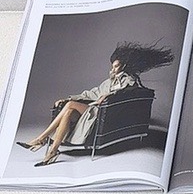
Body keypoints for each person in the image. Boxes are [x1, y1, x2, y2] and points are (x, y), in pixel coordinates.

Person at [18, 40, 173, 166]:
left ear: (124, 65)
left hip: (103, 111)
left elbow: (127, 93)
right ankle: (53, 151)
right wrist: (68, 98)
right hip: (94, 108)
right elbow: (91, 93)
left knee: (71, 105)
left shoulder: (129, 80)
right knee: (69, 110)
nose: (113, 69)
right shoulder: (109, 81)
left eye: (116, 66)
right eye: (112, 66)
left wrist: (109, 95)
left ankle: (41, 138)